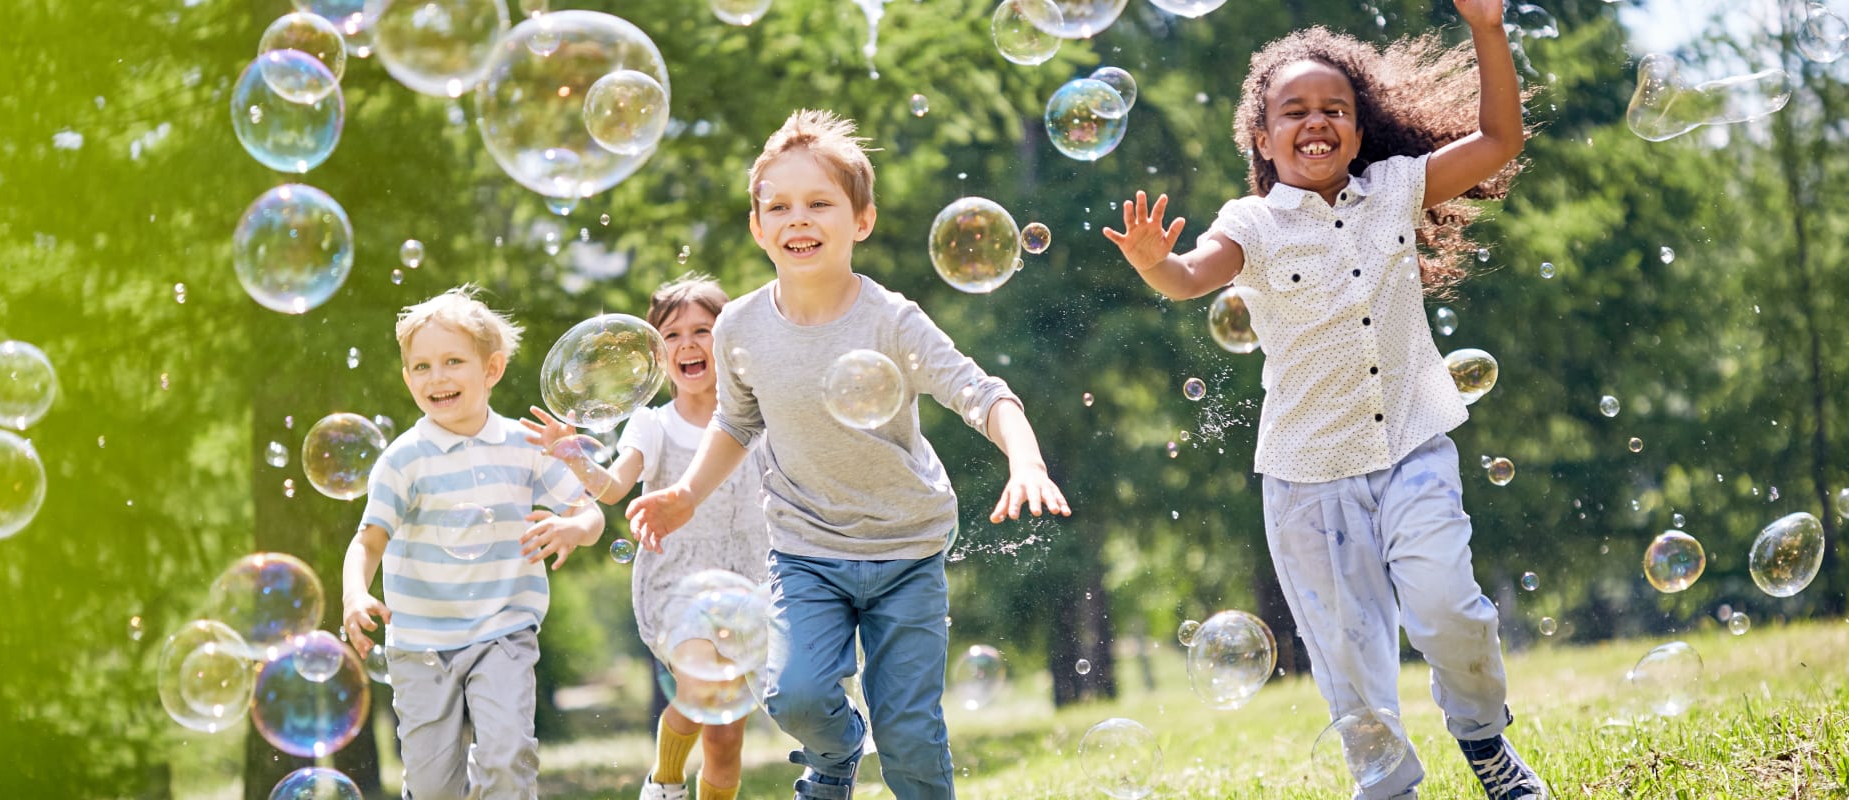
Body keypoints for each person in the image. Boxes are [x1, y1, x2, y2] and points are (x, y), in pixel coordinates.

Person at [1103, 3, 1544, 799]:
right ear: (1262, 140)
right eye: (1294, 111)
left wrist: (1486, 26)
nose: (1317, 122)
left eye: (1335, 109)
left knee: (1451, 608)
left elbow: (1499, 142)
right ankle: (1389, 788)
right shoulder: (1253, 223)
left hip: (1414, 446)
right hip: (1307, 481)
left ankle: (1485, 742)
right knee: (1349, 663)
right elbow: (1192, 275)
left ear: (1360, 128)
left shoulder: (1395, 189)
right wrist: (1153, 266)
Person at [625, 109, 1072, 800]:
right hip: (805, 550)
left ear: (860, 220)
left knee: (912, 736)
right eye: (779, 206)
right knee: (795, 695)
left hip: (906, 547)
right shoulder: (740, 325)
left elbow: (982, 393)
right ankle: (835, 756)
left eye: (819, 203)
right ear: (757, 227)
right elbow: (737, 422)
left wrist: (1027, 461)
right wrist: (686, 493)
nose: (797, 219)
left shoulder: (891, 319)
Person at [340, 285, 605, 800]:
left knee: (507, 759)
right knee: (432, 786)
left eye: (453, 361)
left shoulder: (525, 446)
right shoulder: (403, 458)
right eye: (421, 367)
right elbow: (367, 542)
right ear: (407, 378)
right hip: (420, 643)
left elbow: (588, 511)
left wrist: (574, 528)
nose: (436, 377)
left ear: (492, 370)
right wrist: (355, 592)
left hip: (503, 631)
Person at [523, 274, 769, 800]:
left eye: (703, 330)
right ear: (658, 356)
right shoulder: (651, 425)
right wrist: (574, 458)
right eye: (673, 335)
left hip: (750, 584)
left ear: (727, 341)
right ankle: (664, 781)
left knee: (725, 739)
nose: (688, 344)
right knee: (700, 685)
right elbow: (612, 488)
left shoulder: (759, 416)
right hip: (677, 583)